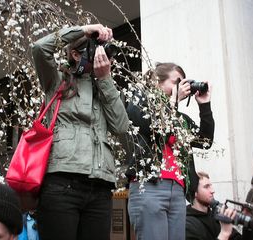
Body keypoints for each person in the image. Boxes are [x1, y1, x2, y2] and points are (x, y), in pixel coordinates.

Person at [32, 24, 129, 240]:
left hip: (100, 187)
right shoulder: (57, 79)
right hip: (62, 182)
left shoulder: (105, 87)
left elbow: (121, 126)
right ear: (75, 54)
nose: (102, 56)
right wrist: (83, 31)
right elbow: (39, 48)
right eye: (95, 49)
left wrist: (105, 79)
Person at [125, 62, 215, 240]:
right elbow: (156, 127)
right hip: (150, 187)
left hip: (178, 191)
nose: (182, 87)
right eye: (176, 82)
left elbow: (205, 141)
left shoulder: (181, 119)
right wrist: (172, 102)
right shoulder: (138, 104)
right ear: (157, 83)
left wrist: (204, 105)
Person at [186, 171, 253, 240]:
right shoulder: (187, 224)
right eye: (206, 187)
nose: (212, 190)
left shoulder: (216, 216)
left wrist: (248, 225)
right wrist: (224, 234)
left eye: (211, 186)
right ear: (194, 193)